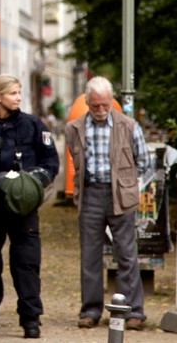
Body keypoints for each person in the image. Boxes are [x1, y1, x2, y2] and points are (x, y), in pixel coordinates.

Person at [0, 75, 59, 339]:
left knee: (27, 264)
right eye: (13, 93)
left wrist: (31, 183)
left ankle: (30, 319)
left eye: (19, 93)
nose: (18, 98)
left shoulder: (33, 125)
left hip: (23, 207)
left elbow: (51, 162)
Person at [64, 76, 151, 331]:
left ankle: (133, 311)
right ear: (87, 103)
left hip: (121, 196)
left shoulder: (128, 125)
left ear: (111, 101)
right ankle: (90, 310)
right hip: (91, 193)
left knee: (126, 254)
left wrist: (132, 189)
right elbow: (78, 164)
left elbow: (145, 163)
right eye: (95, 106)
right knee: (90, 256)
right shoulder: (74, 128)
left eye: (105, 105)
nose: (101, 111)